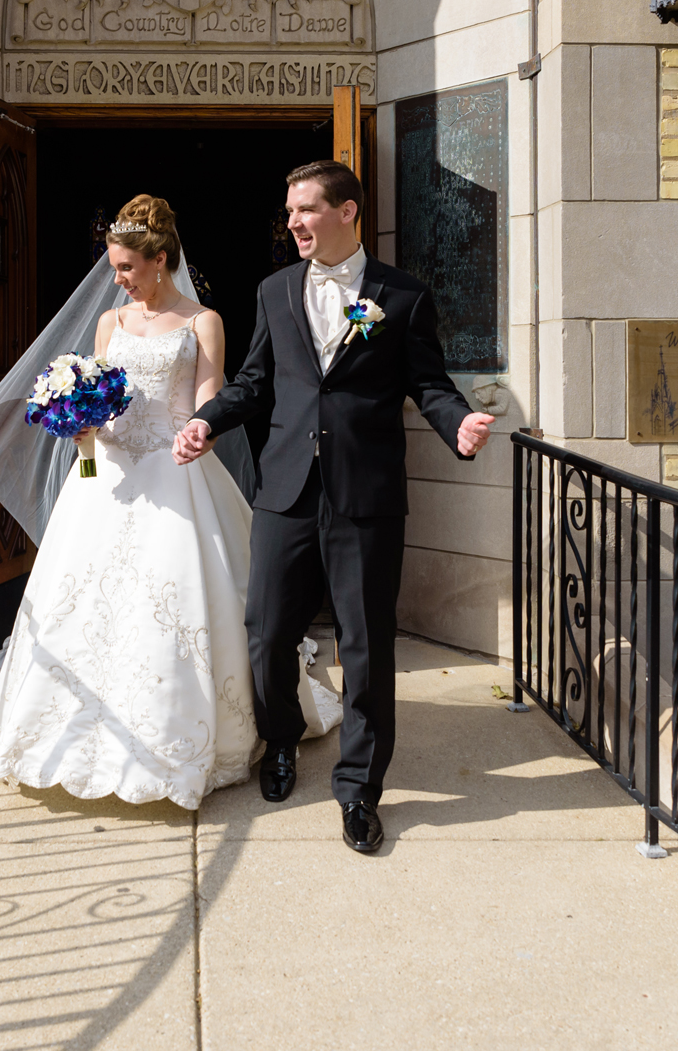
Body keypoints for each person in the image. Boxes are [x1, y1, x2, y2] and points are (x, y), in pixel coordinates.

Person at [0, 194, 340, 809]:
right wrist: (81, 420)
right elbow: (96, 387)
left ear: (161, 260)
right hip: (108, 475)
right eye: (114, 268)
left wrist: (196, 435)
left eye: (125, 268)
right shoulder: (110, 324)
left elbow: (209, 404)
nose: (117, 280)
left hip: (175, 472)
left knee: (179, 603)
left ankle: (187, 742)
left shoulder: (204, 322)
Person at [173, 161, 495, 853]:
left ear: (347, 211)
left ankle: (359, 789)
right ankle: (281, 740)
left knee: (367, 646)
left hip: (366, 495)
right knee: (266, 631)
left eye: (305, 209)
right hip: (286, 490)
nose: (291, 222)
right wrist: (209, 420)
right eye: (288, 211)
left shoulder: (402, 297)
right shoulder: (273, 291)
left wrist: (458, 425)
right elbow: (256, 381)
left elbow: (430, 383)